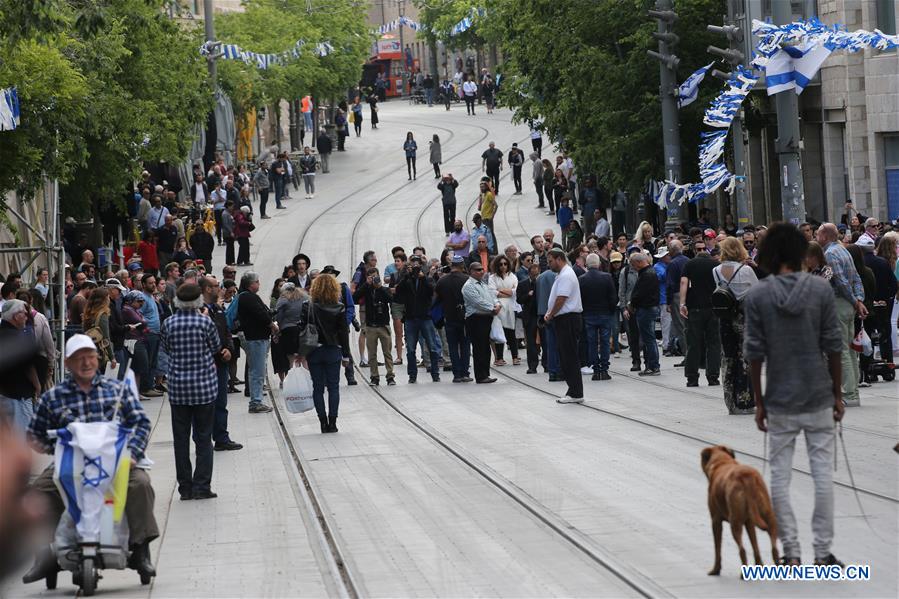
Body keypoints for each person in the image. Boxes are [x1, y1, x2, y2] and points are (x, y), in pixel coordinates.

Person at [743, 223, 845, 568]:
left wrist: (759, 402)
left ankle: (791, 551)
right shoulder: (820, 291)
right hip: (818, 395)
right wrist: (837, 395)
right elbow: (833, 346)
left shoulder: (758, 295)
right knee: (821, 476)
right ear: (802, 252)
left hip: (780, 400)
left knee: (780, 477)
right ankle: (823, 551)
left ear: (769, 255)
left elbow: (754, 354)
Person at [24, 334, 158, 584]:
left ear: (98, 359)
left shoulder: (116, 391)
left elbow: (140, 422)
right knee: (37, 493)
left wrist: (133, 454)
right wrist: (58, 447)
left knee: (140, 484)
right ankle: (45, 554)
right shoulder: (55, 397)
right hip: (71, 464)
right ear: (67, 363)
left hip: (115, 463)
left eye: (90, 357)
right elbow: (34, 434)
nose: (85, 363)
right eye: (78, 359)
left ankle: (139, 550)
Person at [161, 283, 220, 501]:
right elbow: (215, 347)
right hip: (204, 388)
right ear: (198, 300)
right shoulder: (205, 322)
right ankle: (202, 485)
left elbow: (166, 348)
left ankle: (185, 487)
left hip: (178, 389)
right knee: (204, 438)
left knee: (181, 439)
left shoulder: (169, 323)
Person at [816, 223, 866, 406]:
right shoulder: (843, 250)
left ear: (825, 236)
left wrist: (855, 301)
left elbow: (841, 282)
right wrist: (859, 300)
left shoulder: (829, 254)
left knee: (841, 350)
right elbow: (856, 277)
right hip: (848, 305)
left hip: (839, 303)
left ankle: (848, 393)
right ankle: (853, 390)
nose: (816, 238)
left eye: (817, 234)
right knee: (850, 349)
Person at [714, 237, 759, 414]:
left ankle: (731, 402)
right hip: (744, 317)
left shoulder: (716, 270)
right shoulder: (746, 270)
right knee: (745, 359)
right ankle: (745, 401)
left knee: (729, 358)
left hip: (725, 318)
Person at [302, 274, 351, 432]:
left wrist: (300, 352)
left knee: (317, 388)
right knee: (333, 387)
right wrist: (346, 355)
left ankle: (322, 421)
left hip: (314, 350)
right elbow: (344, 333)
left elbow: (302, 328)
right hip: (333, 350)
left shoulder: (307, 305)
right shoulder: (339, 307)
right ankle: (333, 422)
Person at [199, 275, 241, 451]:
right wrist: (218, 351)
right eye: (217, 286)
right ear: (208, 289)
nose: (220, 289)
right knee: (205, 405)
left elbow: (227, 332)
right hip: (206, 364)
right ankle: (204, 440)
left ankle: (222, 438)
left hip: (222, 362)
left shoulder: (219, 309)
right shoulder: (200, 311)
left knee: (221, 403)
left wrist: (229, 350)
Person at [680, 239, 721, 387]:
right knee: (714, 343)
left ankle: (692, 377)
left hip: (695, 308)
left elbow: (684, 283)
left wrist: (682, 303)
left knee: (693, 344)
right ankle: (713, 376)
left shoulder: (689, 264)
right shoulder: (716, 265)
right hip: (713, 309)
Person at [544, 248, 583, 402]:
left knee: (569, 356)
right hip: (565, 319)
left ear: (559, 259)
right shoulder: (562, 274)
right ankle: (573, 390)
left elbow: (561, 298)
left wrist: (551, 314)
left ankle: (576, 393)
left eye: (550, 261)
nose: (549, 264)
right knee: (566, 356)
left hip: (568, 319)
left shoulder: (566, 275)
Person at [395, 255, 441, 383]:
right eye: (413, 264)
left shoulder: (426, 279)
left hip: (425, 318)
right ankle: (412, 375)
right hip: (410, 318)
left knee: (432, 347)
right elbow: (398, 291)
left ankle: (435, 373)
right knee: (410, 349)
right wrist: (406, 275)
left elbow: (432, 291)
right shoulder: (407, 279)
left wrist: (424, 278)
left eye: (417, 264)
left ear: (421, 266)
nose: (415, 266)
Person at [235, 272, 275, 413]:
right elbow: (262, 314)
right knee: (257, 371)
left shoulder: (246, 296)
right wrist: (271, 323)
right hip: (255, 338)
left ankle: (256, 401)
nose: (259, 284)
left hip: (256, 337)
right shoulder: (248, 297)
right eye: (257, 282)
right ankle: (256, 402)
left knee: (256, 369)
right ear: (251, 284)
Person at [0, 299, 41, 431]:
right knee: (23, 438)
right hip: (18, 396)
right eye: (24, 313)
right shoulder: (18, 338)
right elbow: (27, 366)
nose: (26, 316)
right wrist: (37, 385)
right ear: (16, 316)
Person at [353, 267, 395, 386]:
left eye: (375, 276)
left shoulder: (384, 290)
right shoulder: (366, 289)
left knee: (387, 352)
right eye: (371, 277)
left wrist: (380, 287)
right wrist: (366, 284)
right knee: (372, 353)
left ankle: (390, 376)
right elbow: (355, 298)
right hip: (370, 325)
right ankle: (374, 377)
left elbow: (391, 299)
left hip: (383, 325)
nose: (374, 279)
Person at [579, 253, 617, 381]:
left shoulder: (582, 279)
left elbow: (580, 298)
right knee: (605, 342)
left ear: (586, 264)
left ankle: (595, 370)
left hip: (589, 315)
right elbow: (613, 297)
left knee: (592, 343)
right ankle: (604, 369)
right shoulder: (607, 277)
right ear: (599, 264)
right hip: (605, 313)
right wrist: (611, 310)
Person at [436, 255, 472, 383]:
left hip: (449, 318)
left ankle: (456, 374)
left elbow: (437, 299)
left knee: (452, 346)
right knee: (465, 346)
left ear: (451, 265)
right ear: (462, 265)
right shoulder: (467, 279)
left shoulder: (442, 281)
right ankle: (465, 373)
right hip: (464, 318)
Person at [462, 262, 500, 384]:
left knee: (485, 347)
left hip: (486, 318)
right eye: (478, 270)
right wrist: (492, 308)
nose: (481, 272)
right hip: (476, 319)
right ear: (471, 271)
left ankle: (485, 373)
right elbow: (478, 302)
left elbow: (492, 295)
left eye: (482, 269)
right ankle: (480, 375)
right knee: (479, 348)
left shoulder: (483, 283)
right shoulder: (468, 286)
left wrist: (497, 304)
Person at [625, 253, 660, 376]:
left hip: (646, 309)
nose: (633, 267)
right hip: (649, 308)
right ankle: (653, 365)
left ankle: (653, 366)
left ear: (639, 262)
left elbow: (640, 294)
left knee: (648, 338)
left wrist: (632, 303)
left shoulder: (647, 274)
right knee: (649, 338)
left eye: (634, 265)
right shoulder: (649, 272)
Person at [488, 255, 519, 366]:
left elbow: (514, 291)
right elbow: (492, 292)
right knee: (499, 332)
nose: (503, 266)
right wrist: (507, 292)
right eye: (500, 264)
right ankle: (499, 358)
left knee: (511, 331)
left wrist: (501, 290)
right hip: (499, 306)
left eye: (505, 264)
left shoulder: (512, 276)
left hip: (510, 307)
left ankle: (515, 356)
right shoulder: (492, 278)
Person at [82, 287, 115, 374]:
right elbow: (106, 338)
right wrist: (112, 357)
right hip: (100, 354)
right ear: (104, 299)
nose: (109, 299)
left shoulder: (88, 314)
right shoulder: (102, 315)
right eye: (107, 296)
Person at [478, 180, 498, 249]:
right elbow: (479, 208)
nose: (481, 188)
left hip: (488, 218)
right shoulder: (483, 195)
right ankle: (489, 248)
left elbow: (495, 205)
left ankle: (494, 250)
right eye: (480, 187)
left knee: (491, 234)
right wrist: (480, 198)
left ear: (486, 187)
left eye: (483, 187)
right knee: (486, 234)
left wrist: (492, 216)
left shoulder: (489, 194)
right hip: (483, 218)